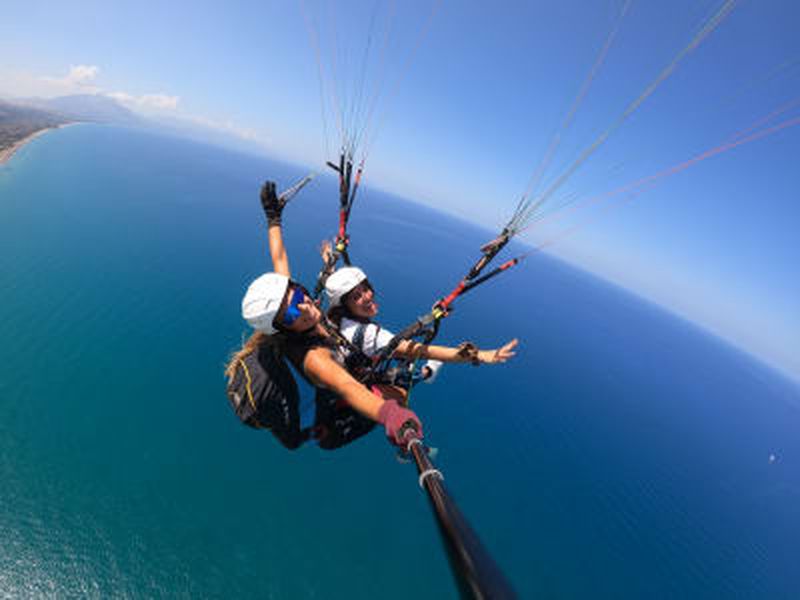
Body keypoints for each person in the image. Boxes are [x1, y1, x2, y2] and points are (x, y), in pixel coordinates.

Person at [227, 181, 423, 450]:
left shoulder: (283, 315)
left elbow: (279, 259)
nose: (306, 305)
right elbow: (346, 387)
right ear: (283, 328)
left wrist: (273, 218)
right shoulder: (314, 358)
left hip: (307, 405)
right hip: (327, 420)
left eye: (298, 294)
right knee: (399, 393)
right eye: (294, 311)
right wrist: (392, 415)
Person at [323, 264, 519, 388]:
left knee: (399, 358)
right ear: (345, 306)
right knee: (403, 381)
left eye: (365, 289)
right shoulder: (368, 334)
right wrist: (481, 355)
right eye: (357, 296)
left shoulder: (334, 319)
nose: (367, 296)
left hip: (354, 366)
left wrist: (328, 264)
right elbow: (423, 351)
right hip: (361, 379)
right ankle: (427, 373)